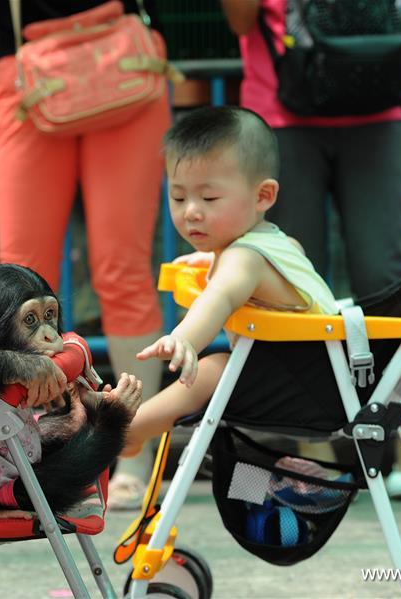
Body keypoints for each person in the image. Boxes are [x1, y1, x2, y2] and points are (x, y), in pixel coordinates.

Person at [220, 0, 401, 499]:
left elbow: (397, 17)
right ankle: (310, 451)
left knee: (388, 280)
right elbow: (239, 20)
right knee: (288, 289)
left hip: (379, 107)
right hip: (281, 112)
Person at [0, 0, 169, 508]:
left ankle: (134, 452)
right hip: (28, 66)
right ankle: (27, 450)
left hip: (121, 54)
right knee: (19, 277)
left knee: (123, 267)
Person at [123, 105, 340, 453]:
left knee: (214, 369)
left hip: (314, 390)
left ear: (263, 196)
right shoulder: (275, 243)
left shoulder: (243, 259)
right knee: (226, 368)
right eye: (178, 196)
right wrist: (213, 256)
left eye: (209, 198)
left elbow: (220, 296)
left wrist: (184, 339)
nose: (191, 210)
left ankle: (129, 431)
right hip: (325, 378)